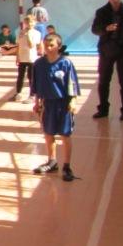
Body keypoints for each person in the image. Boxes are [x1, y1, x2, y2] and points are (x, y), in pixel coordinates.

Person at [31, 33, 80, 181]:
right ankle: (52, 162)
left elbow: (72, 83)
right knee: (48, 133)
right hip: (48, 103)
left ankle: (67, 166)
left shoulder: (66, 63)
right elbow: (36, 85)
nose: (48, 48)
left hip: (63, 103)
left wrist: (73, 100)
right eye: (46, 45)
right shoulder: (39, 64)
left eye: (51, 45)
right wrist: (37, 102)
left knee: (65, 134)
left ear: (58, 46)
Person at [91, 0, 123, 120]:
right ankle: (103, 110)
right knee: (104, 81)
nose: (115, 0)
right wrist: (106, 28)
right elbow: (95, 29)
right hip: (107, 50)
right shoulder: (101, 12)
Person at [14, 14, 43, 102]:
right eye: (27, 22)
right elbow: (18, 45)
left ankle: (32, 95)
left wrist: (28, 35)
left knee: (31, 77)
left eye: (31, 22)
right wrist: (17, 56)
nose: (29, 24)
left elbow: (31, 45)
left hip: (31, 58)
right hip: (22, 57)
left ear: (34, 23)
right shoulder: (21, 32)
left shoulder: (37, 33)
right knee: (20, 76)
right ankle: (18, 93)